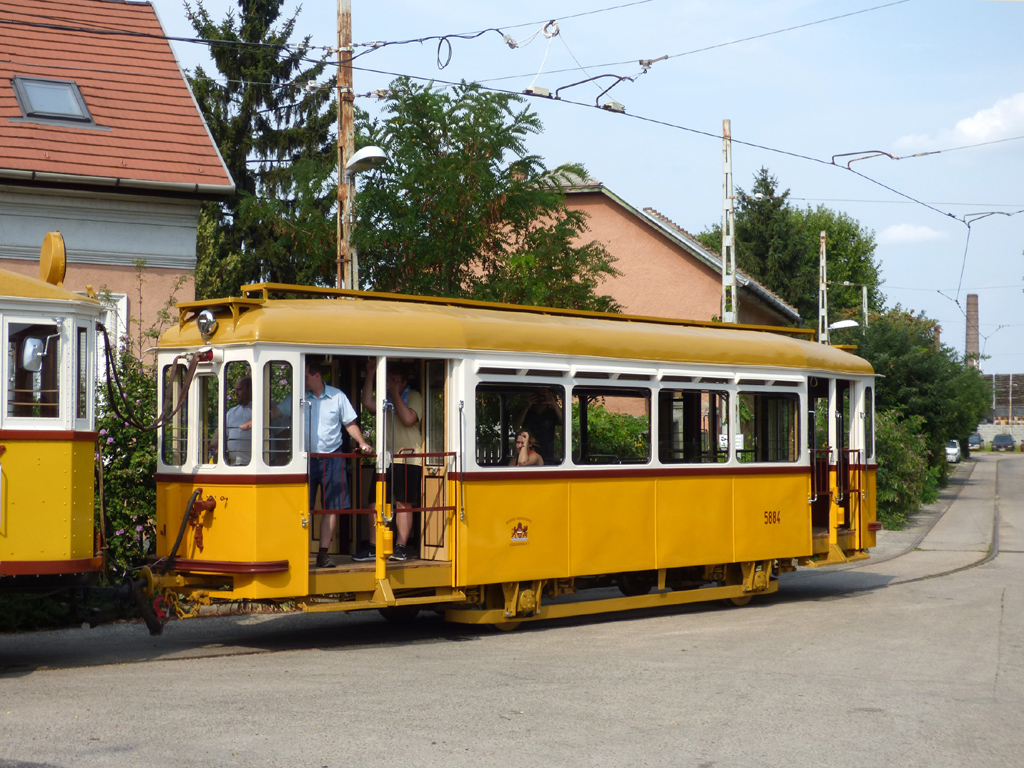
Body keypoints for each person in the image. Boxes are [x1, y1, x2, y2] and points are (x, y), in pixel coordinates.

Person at [305, 360, 372, 568]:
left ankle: (323, 554)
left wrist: (362, 443)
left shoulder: (337, 396)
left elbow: (349, 423)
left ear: (317, 376)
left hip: (332, 458)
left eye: (305, 375)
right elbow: (279, 413)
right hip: (305, 459)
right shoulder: (299, 396)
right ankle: (298, 550)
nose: (302, 379)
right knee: (302, 507)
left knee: (331, 508)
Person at [357, 359, 422, 562]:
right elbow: (367, 403)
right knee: (374, 502)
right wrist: (370, 374)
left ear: (403, 382)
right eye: (388, 380)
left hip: (408, 457)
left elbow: (408, 418)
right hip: (385, 458)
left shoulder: (414, 396)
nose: (389, 384)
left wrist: (394, 393)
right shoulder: (385, 397)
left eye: (394, 381)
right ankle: (374, 546)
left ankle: (401, 546)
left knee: (403, 503)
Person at [207, 376, 253, 465]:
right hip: (234, 466)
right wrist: (212, 446)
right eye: (235, 390)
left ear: (251, 390)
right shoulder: (232, 412)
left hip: (255, 466)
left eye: (240, 390)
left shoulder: (262, 410)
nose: (236, 393)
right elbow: (220, 434)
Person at [512, 388, 563, 464]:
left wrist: (553, 403)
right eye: (538, 395)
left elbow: (565, 422)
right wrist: (527, 406)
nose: (541, 398)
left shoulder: (552, 413)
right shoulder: (526, 413)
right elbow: (516, 426)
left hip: (548, 456)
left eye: (544, 395)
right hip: (528, 454)